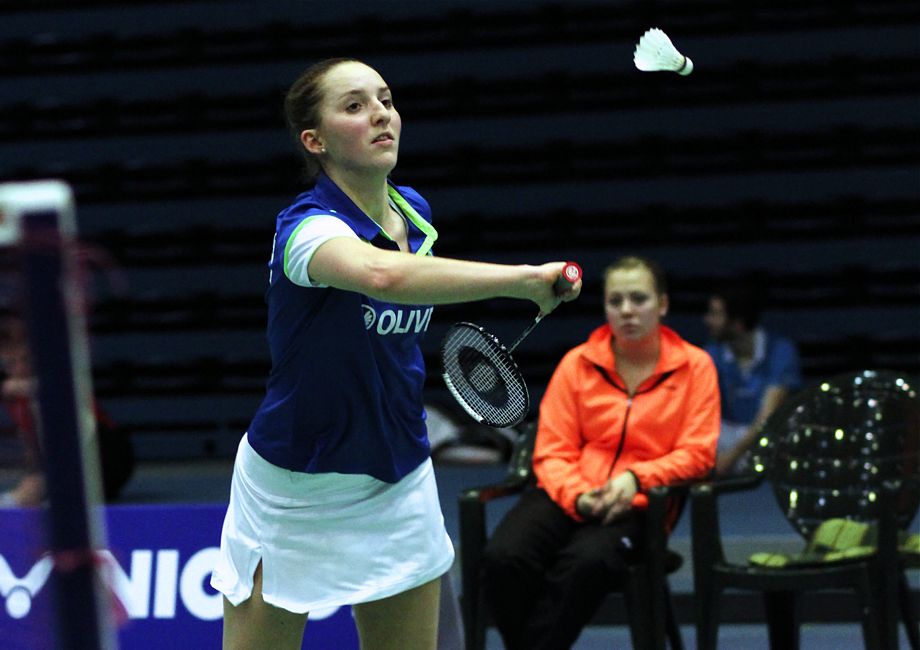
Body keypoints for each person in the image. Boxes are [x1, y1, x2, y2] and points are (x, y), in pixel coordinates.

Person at [208, 57, 582, 650]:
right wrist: (521, 280)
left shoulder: (415, 214)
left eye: (385, 99)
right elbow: (382, 277)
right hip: (295, 483)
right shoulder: (304, 231)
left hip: (397, 473)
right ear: (316, 140)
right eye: (354, 106)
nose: (380, 113)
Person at [480, 255, 719, 650]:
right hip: (570, 494)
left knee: (586, 564)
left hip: (642, 504)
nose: (626, 310)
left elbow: (698, 454)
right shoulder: (577, 364)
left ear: (662, 304)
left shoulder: (696, 368)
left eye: (638, 299)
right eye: (616, 301)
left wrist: (636, 478)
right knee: (504, 557)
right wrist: (578, 496)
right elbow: (552, 450)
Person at [0, 314, 134, 507]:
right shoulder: (17, 400)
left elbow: (50, 392)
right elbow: (32, 447)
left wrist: (11, 388)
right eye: (10, 364)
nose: (19, 368)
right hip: (72, 470)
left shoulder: (59, 377)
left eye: (26, 359)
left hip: (107, 454)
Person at [703, 283, 801, 477]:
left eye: (715, 314)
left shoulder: (781, 351)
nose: (707, 320)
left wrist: (728, 459)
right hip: (726, 433)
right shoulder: (710, 354)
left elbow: (766, 418)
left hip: (766, 435)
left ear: (737, 323)